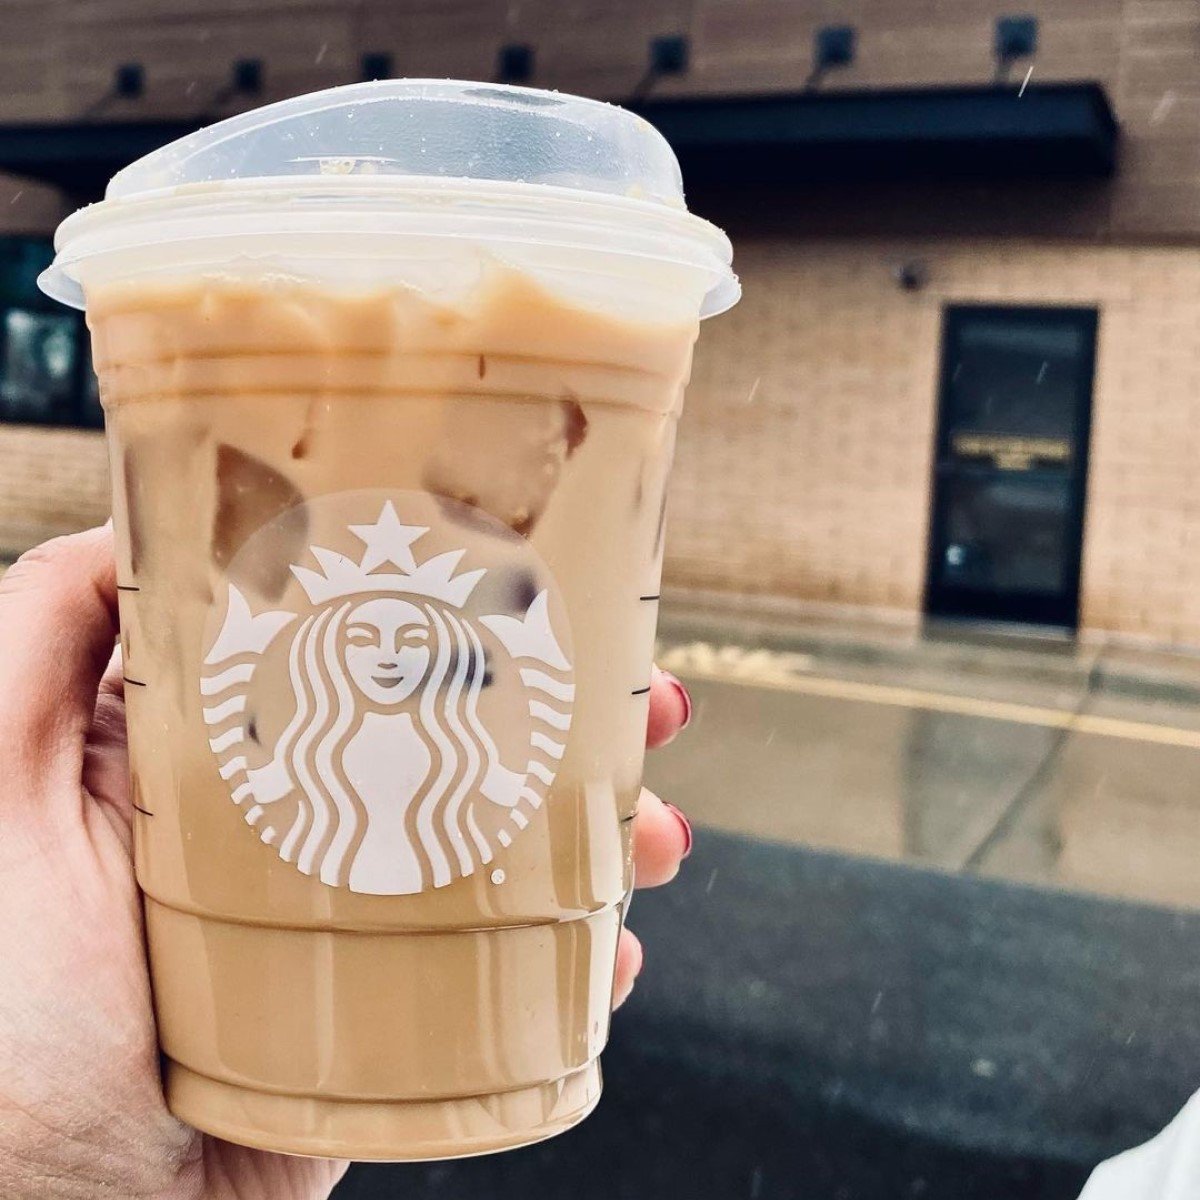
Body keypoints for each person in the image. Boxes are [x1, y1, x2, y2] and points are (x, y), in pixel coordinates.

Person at [0, 525, 694, 1200]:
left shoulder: (478, 767)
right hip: (203, 1072)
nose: (387, 656)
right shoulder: (293, 759)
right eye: (363, 634)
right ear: (327, 649)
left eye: (411, 637)